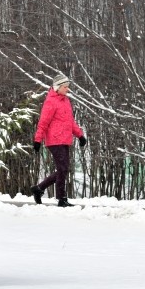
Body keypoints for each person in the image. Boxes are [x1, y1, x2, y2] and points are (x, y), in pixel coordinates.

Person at [31, 74, 87, 207]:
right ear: (57, 87)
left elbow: (70, 122)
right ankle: (61, 199)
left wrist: (80, 135)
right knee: (62, 168)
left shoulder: (65, 101)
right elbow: (43, 122)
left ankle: (39, 189)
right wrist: (38, 140)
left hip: (65, 139)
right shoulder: (51, 101)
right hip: (54, 140)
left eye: (68, 87)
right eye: (65, 87)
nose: (68, 89)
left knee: (63, 169)